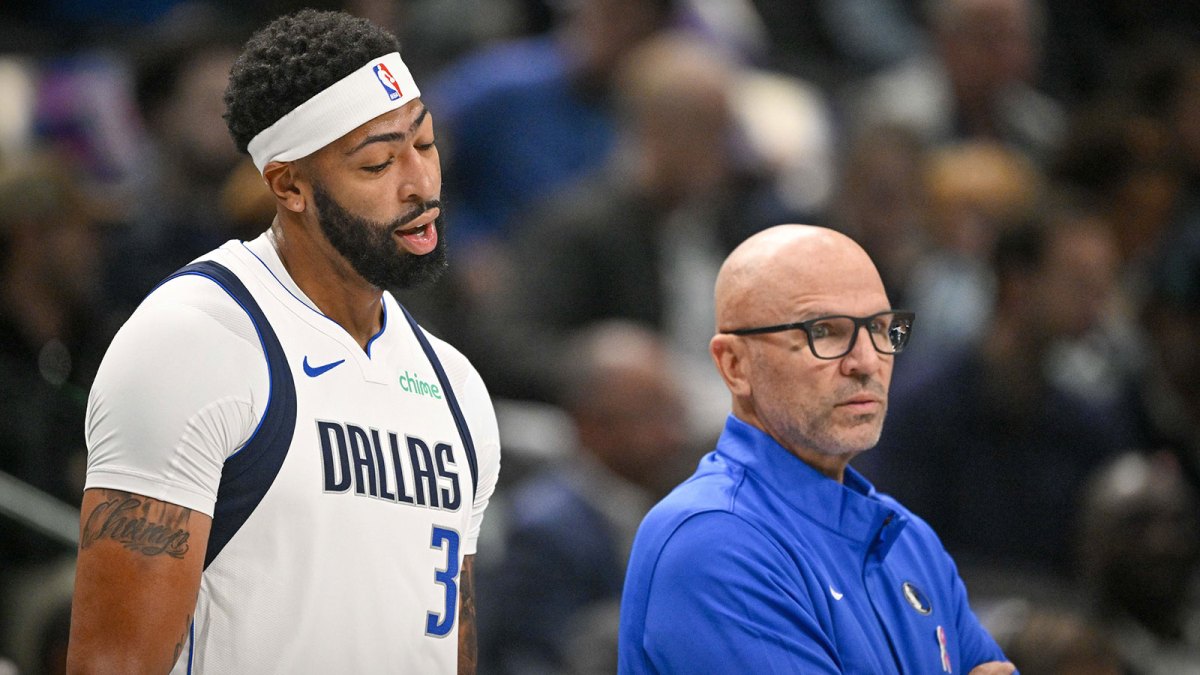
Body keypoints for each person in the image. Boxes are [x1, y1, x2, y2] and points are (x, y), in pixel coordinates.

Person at [66, 9, 501, 674]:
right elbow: (112, 663)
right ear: (289, 185)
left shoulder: (456, 386)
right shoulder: (194, 341)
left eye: (426, 144)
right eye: (379, 161)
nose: (421, 184)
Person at [618, 224, 1016, 674]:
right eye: (824, 331)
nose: (867, 362)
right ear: (734, 365)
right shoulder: (712, 542)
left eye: (882, 329)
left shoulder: (909, 538)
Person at [478, 320, 691, 675]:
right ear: (590, 426)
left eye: (675, 413)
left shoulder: (668, 503)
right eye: (651, 416)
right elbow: (526, 661)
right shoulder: (544, 531)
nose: (674, 435)